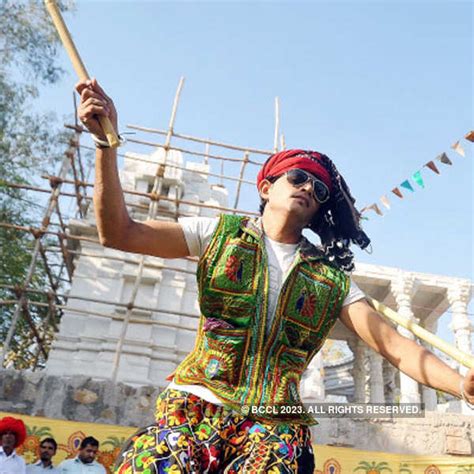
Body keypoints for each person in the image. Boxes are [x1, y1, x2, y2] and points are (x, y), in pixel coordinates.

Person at [75, 79, 474, 474]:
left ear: (319, 210)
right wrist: (105, 145)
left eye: (318, 189)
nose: (308, 188)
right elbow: (119, 233)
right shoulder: (218, 233)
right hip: (193, 409)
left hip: (274, 427)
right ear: (266, 187)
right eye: (297, 178)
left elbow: (396, 347)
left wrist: (461, 385)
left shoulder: (330, 280)